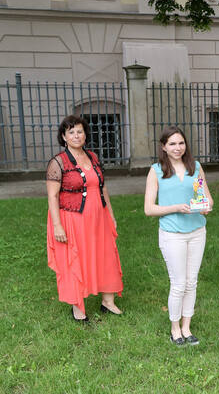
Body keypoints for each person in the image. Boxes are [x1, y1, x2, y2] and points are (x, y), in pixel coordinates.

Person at [46, 115, 123, 322]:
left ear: (85, 134)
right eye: (71, 132)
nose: (76, 135)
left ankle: (108, 301)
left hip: (99, 216)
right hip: (72, 220)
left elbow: (102, 186)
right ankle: (77, 308)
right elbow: (52, 196)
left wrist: (111, 215)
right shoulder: (57, 163)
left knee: (106, 254)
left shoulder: (93, 157)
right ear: (63, 136)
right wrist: (57, 226)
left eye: (79, 131)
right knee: (75, 261)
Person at [144, 126, 213, 346]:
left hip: (197, 232)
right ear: (164, 146)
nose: (177, 148)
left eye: (181, 143)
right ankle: (175, 329)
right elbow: (149, 209)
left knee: (192, 282)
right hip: (172, 234)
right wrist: (175, 207)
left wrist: (205, 207)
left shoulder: (196, 167)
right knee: (179, 283)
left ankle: (187, 327)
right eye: (172, 144)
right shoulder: (156, 171)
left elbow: (206, 198)